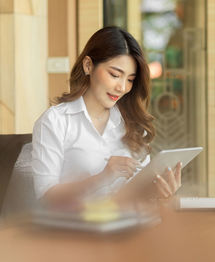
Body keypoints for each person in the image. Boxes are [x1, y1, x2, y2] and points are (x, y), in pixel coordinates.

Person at [31, 26, 182, 208]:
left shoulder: (133, 124)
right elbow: (46, 196)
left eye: (130, 80)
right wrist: (102, 178)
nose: (122, 87)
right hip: (74, 228)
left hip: (127, 225)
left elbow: (138, 192)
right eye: (115, 75)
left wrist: (159, 191)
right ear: (88, 66)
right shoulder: (55, 121)